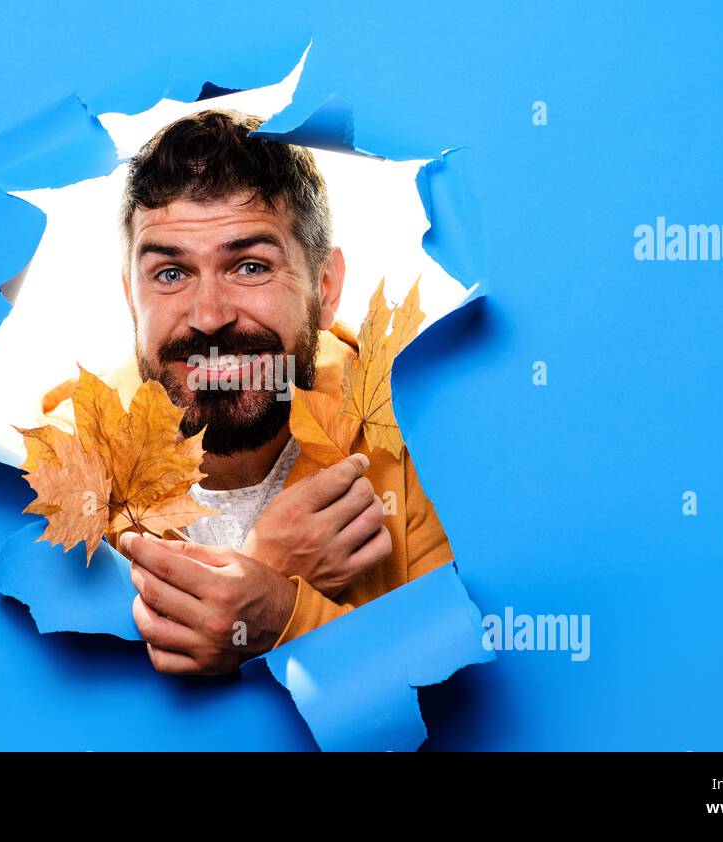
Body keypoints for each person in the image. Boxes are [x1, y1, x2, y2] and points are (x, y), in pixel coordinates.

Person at [38, 109, 454, 675]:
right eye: (170, 274)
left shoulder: (419, 443)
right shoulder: (68, 468)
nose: (208, 316)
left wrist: (286, 611)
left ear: (325, 288)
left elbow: (461, 706)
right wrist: (266, 570)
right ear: (132, 300)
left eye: (251, 266)